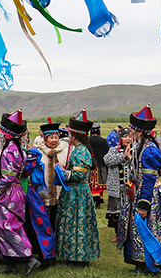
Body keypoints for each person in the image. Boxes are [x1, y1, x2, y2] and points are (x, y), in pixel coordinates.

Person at [117, 105, 161, 274]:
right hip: (138, 191)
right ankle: (140, 262)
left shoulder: (149, 151)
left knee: (147, 227)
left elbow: (149, 179)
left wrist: (144, 204)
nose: (130, 134)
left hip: (148, 194)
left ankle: (148, 264)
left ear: (139, 132)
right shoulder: (142, 147)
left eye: (132, 131)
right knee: (138, 229)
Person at [0, 110, 40, 277]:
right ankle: (10, 264)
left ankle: (28, 258)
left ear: (6, 133)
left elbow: (8, 177)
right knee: (6, 226)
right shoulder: (17, 148)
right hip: (14, 191)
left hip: (9, 193)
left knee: (7, 226)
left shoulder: (10, 150)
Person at [56, 114, 100, 266]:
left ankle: (78, 257)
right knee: (76, 222)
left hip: (77, 192)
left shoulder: (81, 151)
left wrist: (62, 171)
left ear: (74, 134)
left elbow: (78, 174)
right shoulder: (79, 149)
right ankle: (72, 255)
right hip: (75, 191)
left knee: (77, 222)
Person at [35, 121, 66, 227]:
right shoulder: (38, 153)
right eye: (51, 138)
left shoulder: (65, 152)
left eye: (56, 137)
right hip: (43, 195)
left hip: (61, 194)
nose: (54, 140)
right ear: (45, 139)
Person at [104, 131, 132, 233]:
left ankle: (129, 232)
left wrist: (129, 158)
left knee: (130, 210)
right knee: (116, 212)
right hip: (116, 186)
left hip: (129, 186)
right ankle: (118, 234)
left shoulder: (135, 150)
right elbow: (107, 161)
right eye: (125, 137)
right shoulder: (114, 149)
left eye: (130, 136)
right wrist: (122, 156)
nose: (128, 139)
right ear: (120, 138)